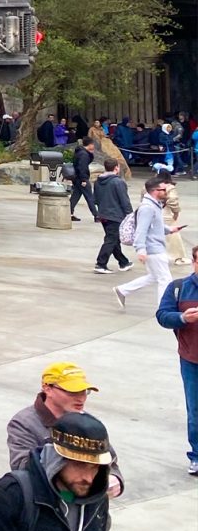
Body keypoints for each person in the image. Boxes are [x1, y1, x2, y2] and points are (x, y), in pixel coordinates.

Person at [155, 239, 198, 475]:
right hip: (192, 360)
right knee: (196, 411)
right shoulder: (179, 287)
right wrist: (183, 318)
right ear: (194, 262)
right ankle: (197, 456)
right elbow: (162, 315)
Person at [114, 176, 180, 309]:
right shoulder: (148, 208)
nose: (166, 192)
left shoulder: (153, 206)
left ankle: (123, 290)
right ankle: (164, 308)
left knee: (154, 276)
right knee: (165, 279)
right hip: (153, 249)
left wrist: (169, 229)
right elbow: (141, 230)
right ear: (156, 191)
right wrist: (141, 250)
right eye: (164, 189)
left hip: (153, 247)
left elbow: (155, 225)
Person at [91, 158, 134, 273]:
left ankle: (123, 262)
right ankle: (101, 263)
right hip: (115, 215)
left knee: (114, 239)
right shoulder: (118, 182)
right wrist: (130, 215)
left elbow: (95, 199)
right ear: (116, 168)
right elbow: (124, 200)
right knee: (111, 239)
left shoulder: (98, 181)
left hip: (103, 214)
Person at [68, 139, 98, 223]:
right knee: (89, 197)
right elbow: (82, 168)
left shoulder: (80, 152)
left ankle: (68, 213)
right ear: (90, 145)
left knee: (75, 196)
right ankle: (96, 215)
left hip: (77, 178)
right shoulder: (84, 154)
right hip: (81, 179)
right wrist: (84, 179)